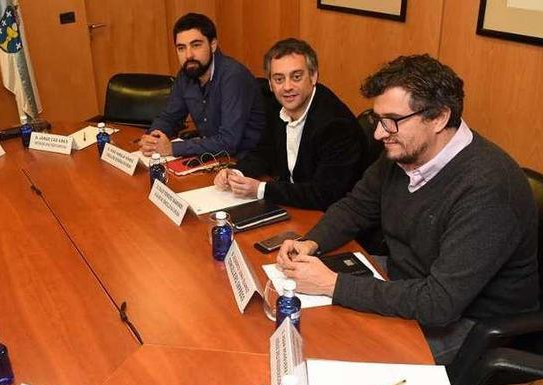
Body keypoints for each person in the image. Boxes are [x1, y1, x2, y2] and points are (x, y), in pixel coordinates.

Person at [276, 54, 538, 363]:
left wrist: (332, 284)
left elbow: (439, 303)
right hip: (405, 281)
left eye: (392, 121)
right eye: (377, 120)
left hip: (471, 323)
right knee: (300, 320)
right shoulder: (406, 151)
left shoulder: (489, 187)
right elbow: (355, 207)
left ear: (439, 117)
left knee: (336, 354)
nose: (378, 134)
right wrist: (311, 242)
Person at [214, 38, 367, 211]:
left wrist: (261, 189)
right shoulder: (277, 106)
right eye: (279, 79)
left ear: (313, 76)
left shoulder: (336, 124)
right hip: (295, 206)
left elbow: (325, 194)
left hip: (329, 215)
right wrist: (236, 173)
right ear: (270, 84)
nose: (287, 87)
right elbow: (264, 152)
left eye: (296, 77)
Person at [139, 13, 266, 161]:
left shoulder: (233, 76)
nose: (188, 55)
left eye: (196, 45)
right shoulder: (187, 73)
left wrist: (172, 148)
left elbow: (229, 141)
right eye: (181, 48)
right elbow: (169, 117)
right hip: (212, 157)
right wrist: (154, 138)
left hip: (245, 162)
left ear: (213, 45)